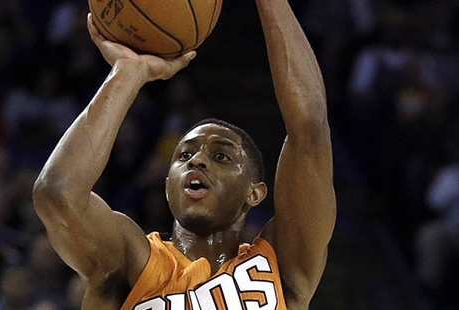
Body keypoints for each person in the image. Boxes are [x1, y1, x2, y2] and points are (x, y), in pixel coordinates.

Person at [32, 0, 336, 309]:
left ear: (254, 193)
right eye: (184, 155)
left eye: (222, 157)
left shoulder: (282, 265)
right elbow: (57, 194)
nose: (197, 160)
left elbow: (310, 130)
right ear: (167, 185)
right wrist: (129, 72)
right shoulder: (131, 261)